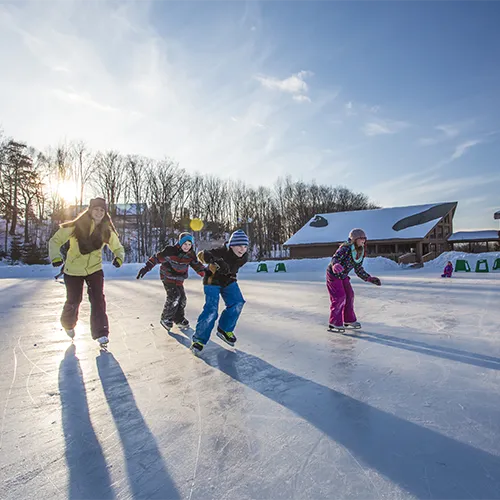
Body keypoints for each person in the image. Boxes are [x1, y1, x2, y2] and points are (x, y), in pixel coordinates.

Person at [48, 198, 124, 347]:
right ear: (90, 210)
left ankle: (101, 333)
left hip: (94, 269)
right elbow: (55, 241)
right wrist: (56, 257)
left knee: (98, 300)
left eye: (102, 210)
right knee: (74, 300)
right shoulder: (76, 226)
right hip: (73, 270)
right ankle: (68, 324)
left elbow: (118, 247)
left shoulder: (106, 230)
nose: (99, 212)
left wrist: (119, 257)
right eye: (96, 209)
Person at [191, 229, 249, 354]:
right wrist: (217, 261)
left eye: (245, 246)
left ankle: (224, 329)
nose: (242, 249)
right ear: (232, 245)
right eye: (239, 245)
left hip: (228, 281)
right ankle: (199, 339)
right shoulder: (221, 251)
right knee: (211, 310)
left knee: (238, 302)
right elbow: (201, 255)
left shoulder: (244, 257)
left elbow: (233, 269)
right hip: (212, 281)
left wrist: (230, 275)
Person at [136, 232, 206, 330]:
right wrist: (146, 267)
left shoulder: (190, 255)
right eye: (185, 244)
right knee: (174, 296)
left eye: (189, 245)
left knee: (182, 299)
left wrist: (207, 275)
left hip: (179, 279)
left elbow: (197, 266)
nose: (187, 247)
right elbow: (156, 258)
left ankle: (178, 319)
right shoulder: (170, 251)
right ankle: (166, 318)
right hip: (167, 277)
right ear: (180, 243)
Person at [326, 228, 381, 333]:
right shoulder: (345, 248)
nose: (363, 240)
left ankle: (348, 320)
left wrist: (369, 278)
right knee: (340, 297)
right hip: (333, 274)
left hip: (343, 275)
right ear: (354, 239)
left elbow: (358, 269)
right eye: (361, 238)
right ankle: (334, 323)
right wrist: (335, 264)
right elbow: (335, 257)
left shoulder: (360, 252)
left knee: (350, 295)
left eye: (364, 238)